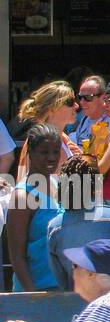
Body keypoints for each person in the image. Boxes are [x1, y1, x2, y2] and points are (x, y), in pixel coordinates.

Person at [5, 123, 63, 291]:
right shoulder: (22, 197)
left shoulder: (57, 185)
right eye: (44, 152)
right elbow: (17, 256)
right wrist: (33, 296)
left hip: (61, 291)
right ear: (30, 152)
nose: (51, 158)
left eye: (55, 151)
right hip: (35, 291)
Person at [70, 75, 110, 149]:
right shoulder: (84, 120)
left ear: (103, 97)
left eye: (88, 97)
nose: (81, 102)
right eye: (80, 97)